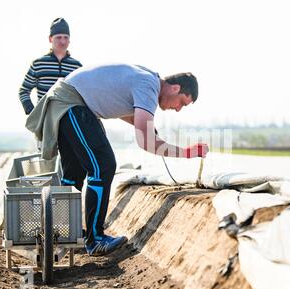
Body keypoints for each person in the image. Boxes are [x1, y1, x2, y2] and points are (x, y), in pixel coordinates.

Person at [26, 63, 209, 256]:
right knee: (103, 166)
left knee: (75, 173)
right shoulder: (149, 86)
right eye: (182, 102)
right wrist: (187, 153)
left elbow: (115, 104)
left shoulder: (146, 77)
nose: (178, 109)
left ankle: (63, 233)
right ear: (175, 88)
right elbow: (146, 142)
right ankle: (95, 240)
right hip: (72, 104)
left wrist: (141, 122)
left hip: (66, 102)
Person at [18, 18, 82, 115]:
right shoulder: (38, 64)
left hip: (70, 120)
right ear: (50, 39)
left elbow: (84, 94)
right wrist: (33, 113)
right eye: (59, 37)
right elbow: (24, 91)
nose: (63, 41)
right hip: (45, 120)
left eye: (66, 37)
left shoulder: (77, 67)